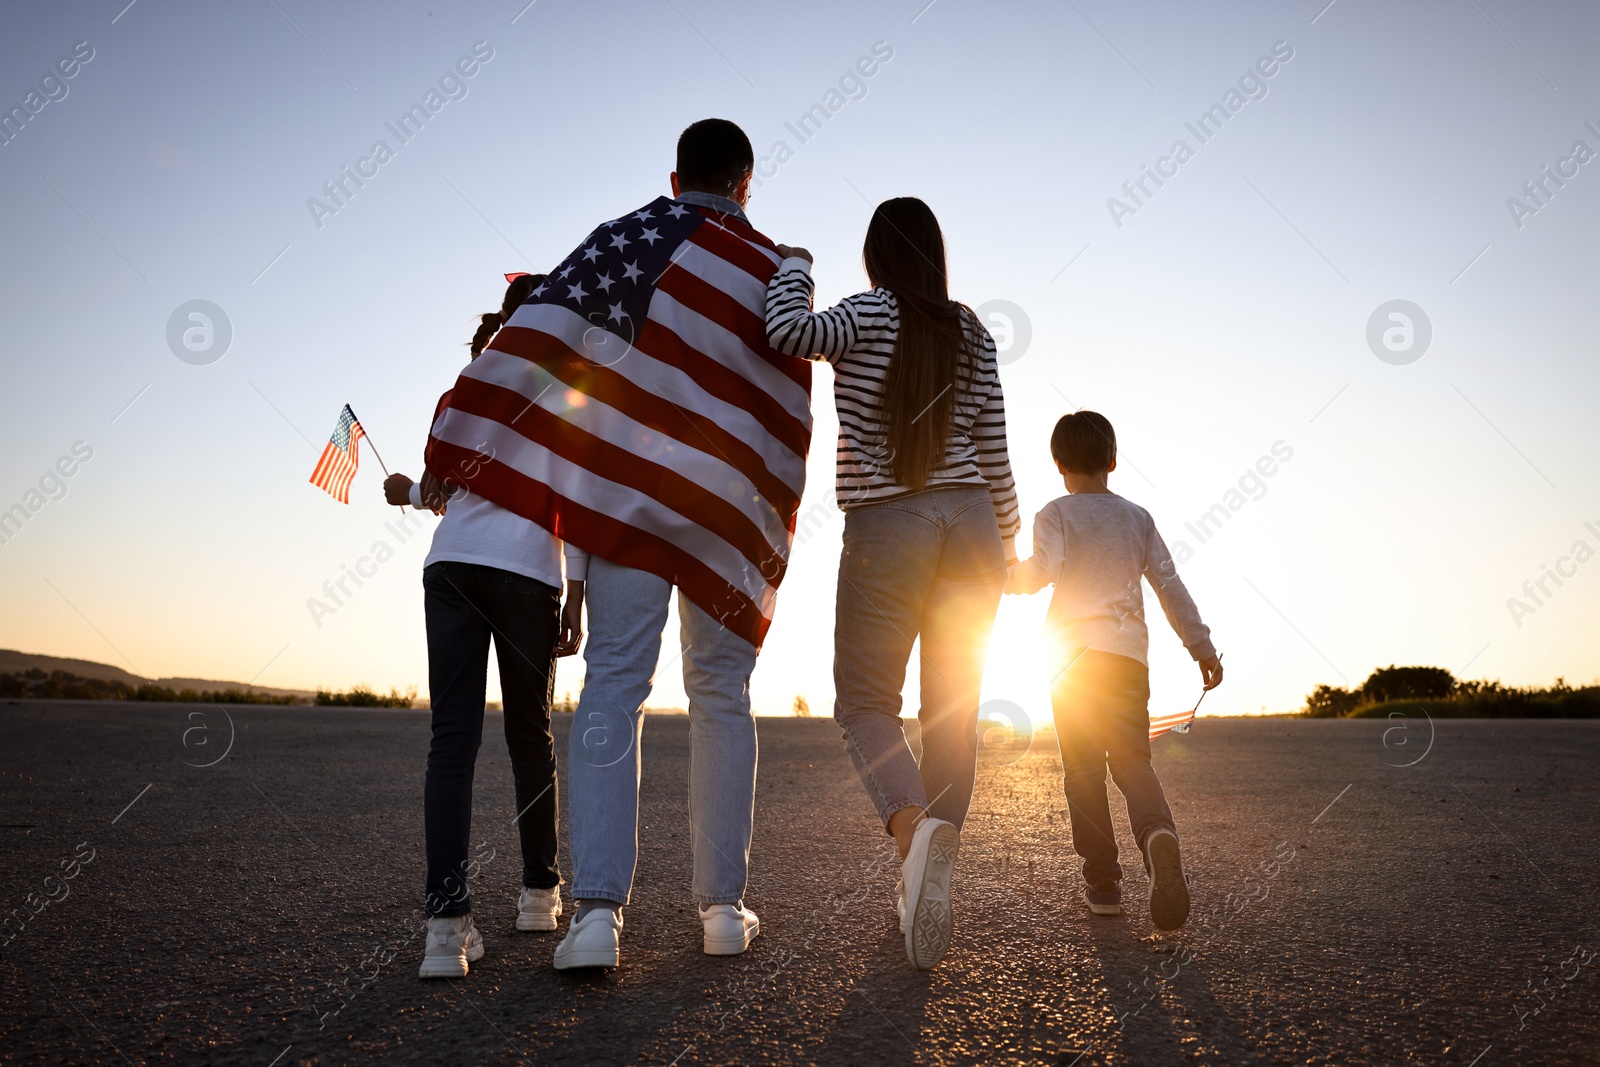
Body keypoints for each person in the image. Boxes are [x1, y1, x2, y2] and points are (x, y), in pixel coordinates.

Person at [423, 118, 815, 971]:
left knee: (612, 689)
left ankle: (595, 918)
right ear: (747, 182)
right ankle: (721, 908)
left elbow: (549, 328)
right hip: (723, 513)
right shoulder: (778, 268)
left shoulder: (626, 237)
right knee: (722, 694)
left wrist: (467, 422)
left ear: (676, 179)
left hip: (629, 499)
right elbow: (785, 396)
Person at [765, 197, 1020, 969]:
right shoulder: (971, 327)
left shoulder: (863, 314)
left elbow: (785, 332)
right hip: (973, 524)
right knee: (953, 713)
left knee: (867, 702)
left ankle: (913, 833)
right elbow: (996, 446)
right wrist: (1009, 545)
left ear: (876, 254)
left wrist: (796, 264)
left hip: (890, 524)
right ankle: (922, 882)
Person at [382, 272, 583, 979]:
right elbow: (575, 498)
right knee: (529, 732)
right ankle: (539, 892)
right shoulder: (565, 391)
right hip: (527, 572)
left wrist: (404, 491)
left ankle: (445, 926)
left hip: (454, 566)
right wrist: (578, 591)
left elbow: (441, 491)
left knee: (452, 739)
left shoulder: (463, 388)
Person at [1005, 410, 1223, 931]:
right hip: (1126, 661)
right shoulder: (1137, 518)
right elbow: (1171, 587)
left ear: (1058, 464)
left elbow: (1038, 574)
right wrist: (1203, 648)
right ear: (1113, 460)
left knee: (1082, 770)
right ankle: (1156, 837)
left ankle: (1102, 883)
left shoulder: (1055, 513)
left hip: (1070, 661)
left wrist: (997, 574)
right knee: (1131, 760)